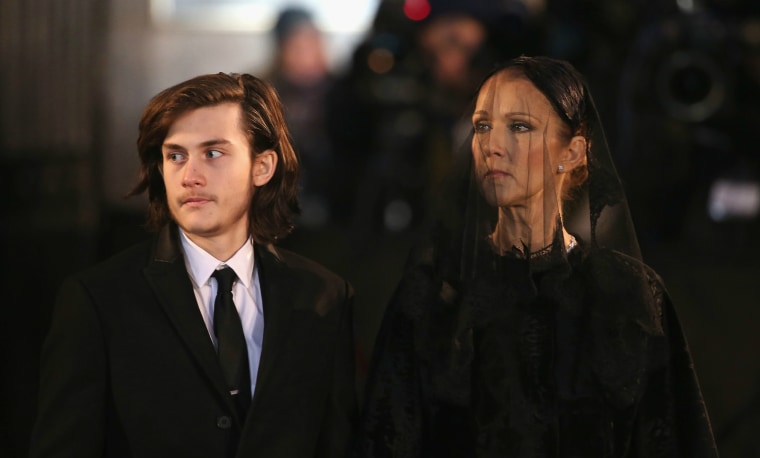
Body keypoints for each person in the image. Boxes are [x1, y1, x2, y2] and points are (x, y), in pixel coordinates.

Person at [353, 55, 719, 457]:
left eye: (520, 127)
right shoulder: (436, 295)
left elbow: (669, 439)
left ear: (574, 151)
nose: (492, 146)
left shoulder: (629, 295)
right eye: (482, 126)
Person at [29, 73, 357, 457]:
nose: (190, 176)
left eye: (212, 153)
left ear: (263, 166)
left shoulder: (324, 297)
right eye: (176, 156)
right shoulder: (98, 300)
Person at [264, 6, 338, 228]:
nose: (307, 52)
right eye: (297, 45)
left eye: (312, 42)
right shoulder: (263, 92)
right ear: (281, 48)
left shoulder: (341, 90)